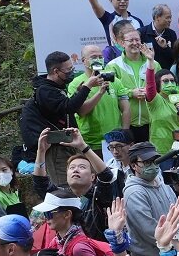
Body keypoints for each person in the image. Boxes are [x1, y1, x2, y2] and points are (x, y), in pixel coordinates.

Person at [19, 51, 110, 182]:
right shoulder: (45, 90)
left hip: (69, 142)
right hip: (56, 147)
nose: (71, 72)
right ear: (56, 71)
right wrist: (87, 86)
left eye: (72, 68)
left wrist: (80, 92)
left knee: (87, 179)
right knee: (65, 183)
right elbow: (68, 107)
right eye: (68, 70)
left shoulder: (56, 87)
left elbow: (61, 107)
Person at [122, 142, 177, 256]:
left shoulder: (164, 185)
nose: (153, 165)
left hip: (173, 252)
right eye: (146, 162)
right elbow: (149, 231)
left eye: (155, 161)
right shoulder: (134, 193)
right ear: (134, 165)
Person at [80, 0, 144, 53]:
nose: (122, 1)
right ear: (111, 0)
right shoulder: (108, 18)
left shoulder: (137, 21)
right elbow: (94, 5)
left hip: (136, 57)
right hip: (117, 58)